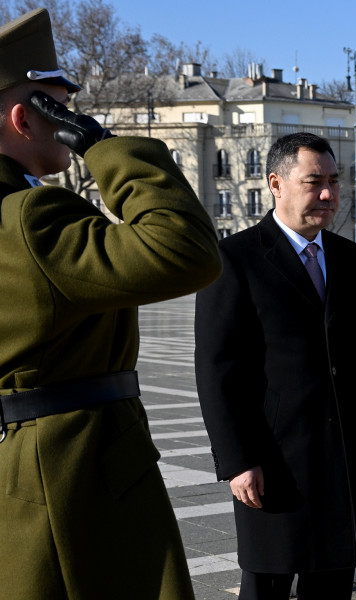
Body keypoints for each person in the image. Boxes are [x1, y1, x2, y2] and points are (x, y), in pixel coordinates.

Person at [0, 8, 222, 599]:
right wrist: (103, 146)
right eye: (59, 107)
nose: (70, 119)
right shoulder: (31, 218)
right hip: (72, 472)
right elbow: (186, 249)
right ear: (25, 118)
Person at [195, 132, 356, 600]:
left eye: (333, 181)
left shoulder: (350, 258)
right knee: (266, 585)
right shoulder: (234, 259)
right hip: (273, 461)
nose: (328, 195)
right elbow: (217, 368)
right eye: (314, 182)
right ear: (276, 183)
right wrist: (238, 460)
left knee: (331, 583)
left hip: (341, 458)